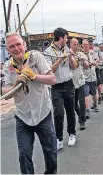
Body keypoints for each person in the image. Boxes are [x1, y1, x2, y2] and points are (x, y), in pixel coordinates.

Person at [2, 32, 57, 174]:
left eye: (18, 44)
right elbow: (5, 94)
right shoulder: (8, 66)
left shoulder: (36, 57)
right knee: (24, 154)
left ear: (24, 44)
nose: (16, 48)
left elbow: (52, 79)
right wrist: (16, 83)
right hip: (23, 117)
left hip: (43, 112)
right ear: (8, 50)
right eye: (11, 46)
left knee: (50, 151)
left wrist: (34, 75)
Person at [44, 27, 77, 150]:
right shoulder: (48, 51)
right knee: (58, 113)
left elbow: (73, 67)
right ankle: (59, 139)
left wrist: (71, 57)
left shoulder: (67, 49)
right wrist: (60, 60)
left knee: (70, 111)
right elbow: (49, 70)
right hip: (56, 87)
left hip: (69, 84)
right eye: (66, 38)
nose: (67, 40)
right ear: (61, 38)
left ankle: (72, 134)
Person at [70, 38, 89, 130]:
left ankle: (82, 121)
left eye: (77, 44)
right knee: (73, 104)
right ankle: (80, 114)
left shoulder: (81, 54)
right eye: (74, 44)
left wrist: (84, 60)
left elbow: (86, 66)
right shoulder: (67, 54)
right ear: (70, 45)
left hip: (81, 81)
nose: (76, 46)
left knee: (82, 102)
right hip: (71, 83)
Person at [82, 39, 99, 115]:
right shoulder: (80, 54)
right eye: (84, 44)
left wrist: (95, 62)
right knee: (86, 95)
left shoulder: (92, 52)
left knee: (94, 93)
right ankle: (87, 110)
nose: (85, 46)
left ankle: (95, 105)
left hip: (92, 76)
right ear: (82, 45)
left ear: (89, 45)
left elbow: (97, 59)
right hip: (84, 77)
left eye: (87, 44)